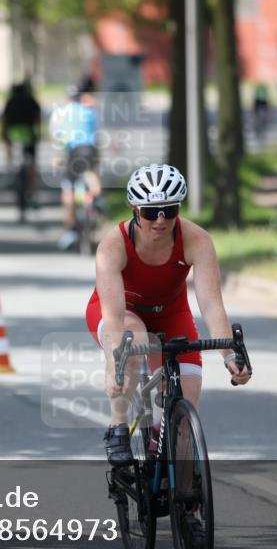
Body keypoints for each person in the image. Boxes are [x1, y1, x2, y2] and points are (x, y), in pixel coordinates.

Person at [88, 164, 252, 466]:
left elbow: (211, 304)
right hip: (123, 312)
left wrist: (230, 356)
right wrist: (114, 364)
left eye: (170, 209)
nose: (160, 220)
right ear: (135, 209)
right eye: (151, 212)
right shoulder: (113, 246)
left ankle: (184, 495)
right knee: (132, 342)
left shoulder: (197, 239)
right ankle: (118, 427)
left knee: (184, 417)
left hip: (170, 313)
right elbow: (112, 315)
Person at [50, 85, 101, 250]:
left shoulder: (62, 114)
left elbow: (59, 138)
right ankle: (97, 198)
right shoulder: (89, 111)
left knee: (68, 188)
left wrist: (57, 158)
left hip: (74, 151)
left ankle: (70, 228)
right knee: (91, 172)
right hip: (91, 150)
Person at [0, 80, 41, 203]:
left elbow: (3, 120)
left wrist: (3, 134)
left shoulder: (10, 102)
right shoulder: (32, 102)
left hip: (13, 135)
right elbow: (38, 119)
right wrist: (37, 134)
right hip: (29, 135)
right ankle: (33, 190)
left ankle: (9, 169)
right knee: (32, 163)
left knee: (9, 151)